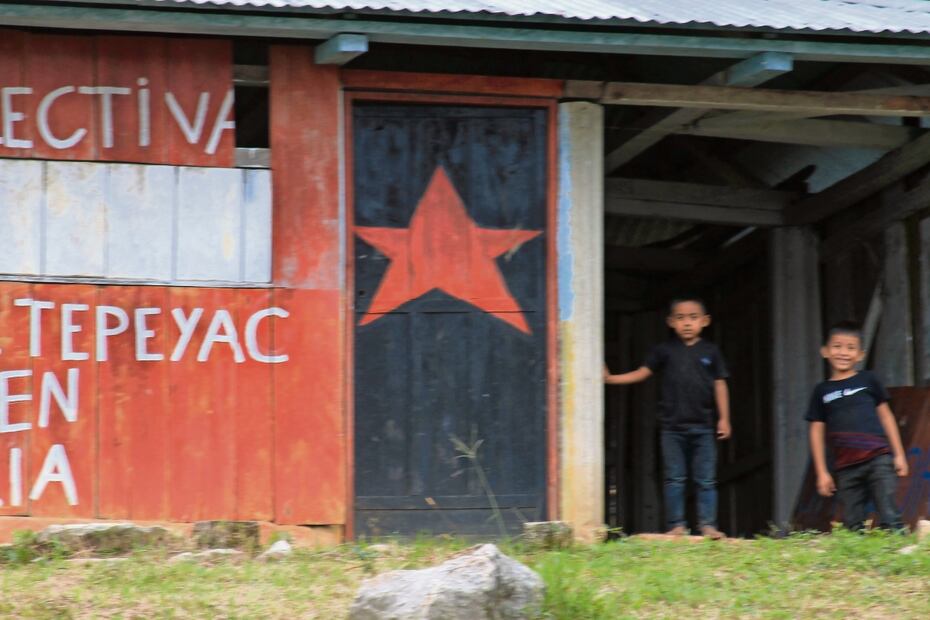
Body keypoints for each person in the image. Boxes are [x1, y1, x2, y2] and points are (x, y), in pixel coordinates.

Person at [604, 297, 731, 539]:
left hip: (704, 427)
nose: (687, 323)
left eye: (693, 318)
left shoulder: (711, 352)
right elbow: (642, 373)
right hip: (671, 428)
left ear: (705, 321)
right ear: (671, 322)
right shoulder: (664, 351)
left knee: (706, 480)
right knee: (674, 479)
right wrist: (611, 379)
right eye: (680, 318)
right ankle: (677, 525)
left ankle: (708, 526)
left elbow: (720, 384)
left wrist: (724, 419)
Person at [806, 321, 909, 531]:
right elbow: (816, 431)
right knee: (853, 522)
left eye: (851, 348)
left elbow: (887, 417)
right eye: (837, 346)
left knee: (889, 512)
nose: (843, 352)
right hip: (845, 466)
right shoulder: (821, 391)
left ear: (861, 355)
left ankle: (896, 543)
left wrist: (899, 454)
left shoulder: (869, 380)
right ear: (825, 351)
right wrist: (822, 472)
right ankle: (857, 549)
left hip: (878, 458)